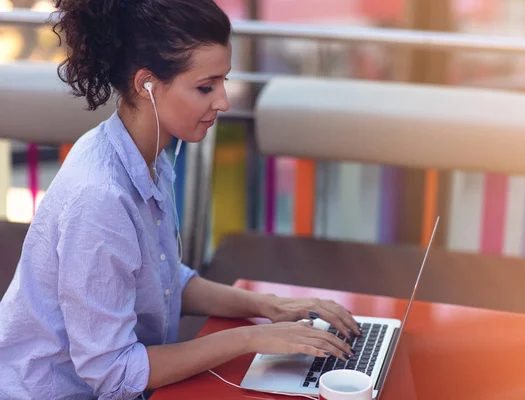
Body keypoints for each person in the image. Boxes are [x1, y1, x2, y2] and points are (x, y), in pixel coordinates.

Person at [0, 1, 361, 399]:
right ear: (146, 85)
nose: (223, 102)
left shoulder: (148, 155)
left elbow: (164, 281)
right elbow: (115, 374)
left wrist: (271, 305)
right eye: (206, 87)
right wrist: (251, 338)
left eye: (224, 81)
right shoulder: (100, 198)